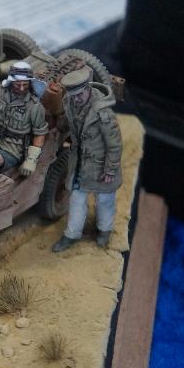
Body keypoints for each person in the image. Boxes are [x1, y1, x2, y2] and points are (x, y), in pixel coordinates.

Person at [51, 66, 123, 252]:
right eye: (73, 95)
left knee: (105, 201)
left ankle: (104, 231)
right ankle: (71, 234)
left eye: (80, 95)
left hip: (101, 165)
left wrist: (110, 170)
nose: (77, 99)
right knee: (76, 200)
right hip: (80, 164)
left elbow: (114, 145)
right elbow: (67, 121)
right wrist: (59, 127)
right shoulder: (70, 102)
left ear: (87, 89)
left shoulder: (104, 113)